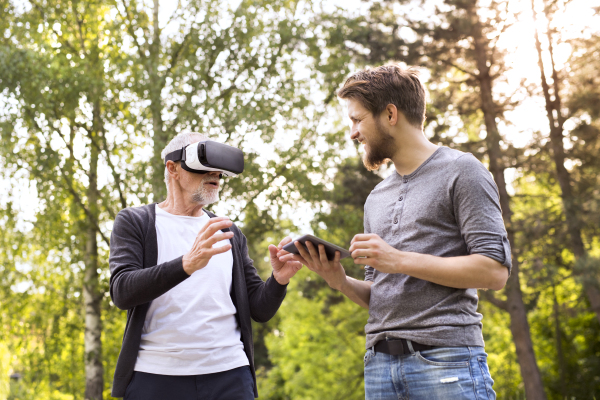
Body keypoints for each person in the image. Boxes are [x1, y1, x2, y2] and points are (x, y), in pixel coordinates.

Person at [278, 64, 511, 399]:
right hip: (379, 367)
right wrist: (338, 280)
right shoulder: (376, 198)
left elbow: (494, 272)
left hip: (446, 364)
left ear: (390, 114)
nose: (353, 133)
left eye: (357, 120)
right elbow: (381, 294)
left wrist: (399, 260)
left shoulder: (463, 171)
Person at [108, 132, 302, 400]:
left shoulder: (228, 230)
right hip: (156, 377)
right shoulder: (136, 222)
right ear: (172, 168)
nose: (216, 175)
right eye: (205, 166)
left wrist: (278, 280)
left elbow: (259, 309)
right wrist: (186, 264)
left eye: (220, 171)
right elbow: (122, 291)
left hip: (230, 374)